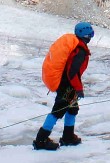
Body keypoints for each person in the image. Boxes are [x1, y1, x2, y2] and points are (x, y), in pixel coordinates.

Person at [34, 22, 93, 150]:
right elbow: (72, 73)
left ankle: (68, 136)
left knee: (72, 109)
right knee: (58, 110)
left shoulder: (76, 46)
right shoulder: (79, 50)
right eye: (91, 34)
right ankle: (41, 140)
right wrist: (78, 89)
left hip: (66, 83)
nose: (91, 37)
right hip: (67, 85)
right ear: (86, 35)